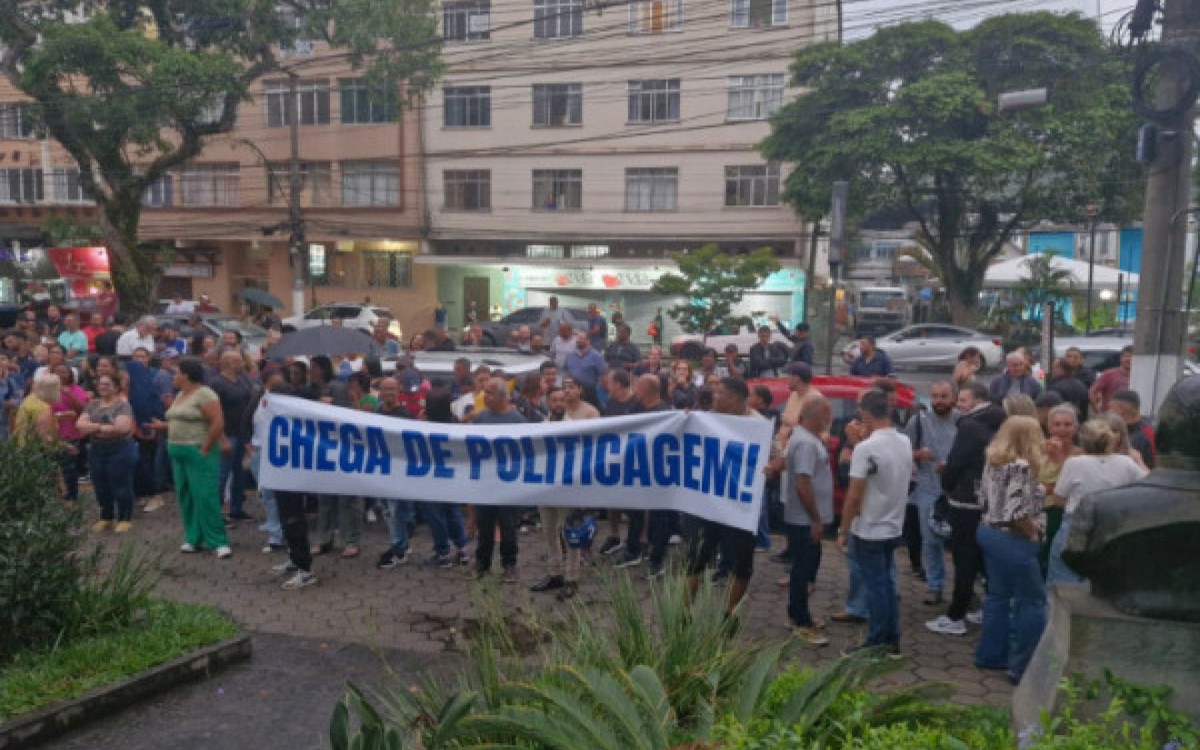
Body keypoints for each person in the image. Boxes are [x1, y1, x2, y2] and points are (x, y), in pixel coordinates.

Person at [927, 381, 1005, 637]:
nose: (958, 406)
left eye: (962, 400)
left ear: (977, 401)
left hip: (965, 500)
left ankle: (955, 615)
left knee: (964, 558)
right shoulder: (998, 421)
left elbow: (956, 463)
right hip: (987, 498)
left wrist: (946, 483)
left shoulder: (970, 426)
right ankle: (986, 607)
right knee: (981, 558)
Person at [973, 416, 1048, 683]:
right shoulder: (1021, 466)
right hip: (1012, 538)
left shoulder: (994, 460)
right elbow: (1017, 510)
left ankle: (991, 655)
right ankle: (1022, 666)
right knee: (1033, 602)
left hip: (988, 530)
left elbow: (983, 497)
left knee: (998, 596)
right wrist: (1033, 532)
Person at [838, 388, 912, 655]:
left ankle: (877, 641)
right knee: (887, 584)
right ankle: (891, 637)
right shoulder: (904, 442)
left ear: (865, 414)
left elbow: (854, 495)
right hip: (893, 523)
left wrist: (843, 529)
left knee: (876, 587)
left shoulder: (866, 449)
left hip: (870, 527)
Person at [686, 377, 766, 621]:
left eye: (718, 393)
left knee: (742, 565)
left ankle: (729, 615)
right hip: (710, 504)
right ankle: (683, 612)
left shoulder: (758, 425)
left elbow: (778, 458)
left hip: (741, 508)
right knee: (696, 560)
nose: (713, 397)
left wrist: (773, 466)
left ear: (733, 397)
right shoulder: (705, 418)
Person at [1047, 418, 1147, 585]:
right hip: (1113, 526)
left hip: (1075, 524)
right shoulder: (1126, 462)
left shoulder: (1074, 463)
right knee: (1102, 584)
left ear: (1083, 441)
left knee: (1060, 582)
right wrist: (1139, 460)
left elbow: (1058, 499)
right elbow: (1147, 482)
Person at [152, 357, 232, 558]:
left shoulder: (205, 394)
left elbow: (217, 423)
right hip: (177, 452)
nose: (174, 377)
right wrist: (162, 426)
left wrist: (206, 448)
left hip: (198, 451)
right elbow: (180, 420)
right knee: (185, 496)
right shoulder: (180, 395)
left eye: (177, 373)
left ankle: (218, 541)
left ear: (186, 375)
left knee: (205, 495)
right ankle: (193, 537)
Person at [530, 378, 594, 600]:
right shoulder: (540, 429)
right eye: (554, 400)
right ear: (548, 402)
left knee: (570, 535)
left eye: (561, 400)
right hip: (545, 489)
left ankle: (571, 578)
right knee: (549, 533)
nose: (558, 403)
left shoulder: (575, 429)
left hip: (568, 490)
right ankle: (554, 573)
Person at [782, 396, 835, 646]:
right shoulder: (805, 442)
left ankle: (798, 615)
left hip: (807, 518)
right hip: (803, 520)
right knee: (802, 571)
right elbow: (803, 484)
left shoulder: (808, 438)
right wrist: (815, 519)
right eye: (827, 415)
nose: (830, 420)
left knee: (806, 568)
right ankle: (800, 622)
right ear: (815, 416)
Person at [905, 381, 958, 606]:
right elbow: (903, 451)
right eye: (935, 396)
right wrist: (918, 454)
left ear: (954, 397)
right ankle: (935, 587)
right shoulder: (918, 421)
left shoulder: (964, 422)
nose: (939, 401)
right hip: (927, 488)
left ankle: (965, 590)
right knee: (930, 540)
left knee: (960, 543)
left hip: (957, 490)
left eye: (944, 396)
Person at [471, 377, 526, 581]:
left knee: (507, 525)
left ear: (503, 396)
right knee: (484, 525)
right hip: (486, 482)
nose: (486, 397)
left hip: (508, 484)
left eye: (490, 393)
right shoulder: (481, 418)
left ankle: (509, 564)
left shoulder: (517, 420)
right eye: (485, 392)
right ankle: (482, 564)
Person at [76, 374, 138, 532]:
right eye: (100, 384)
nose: (103, 387)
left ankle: (125, 517)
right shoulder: (92, 404)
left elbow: (122, 428)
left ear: (116, 387)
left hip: (120, 448)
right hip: (97, 448)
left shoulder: (122, 405)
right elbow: (80, 424)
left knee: (121, 483)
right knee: (99, 483)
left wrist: (93, 426)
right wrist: (103, 427)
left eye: (107, 384)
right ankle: (106, 516)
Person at [209, 349, 257, 521]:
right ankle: (215, 512)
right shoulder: (216, 384)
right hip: (227, 434)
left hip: (241, 434)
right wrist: (221, 438)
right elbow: (213, 413)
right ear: (229, 363)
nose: (243, 364)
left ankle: (237, 508)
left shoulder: (243, 379)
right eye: (239, 361)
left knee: (238, 474)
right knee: (222, 474)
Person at [1039, 403, 1081, 575]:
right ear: (1049, 428)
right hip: (1040, 511)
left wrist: (1059, 458)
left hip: (1065, 511)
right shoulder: (1039, 450)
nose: (1062, 429)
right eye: (1057, 424)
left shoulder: (1080, 454)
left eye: (1067, 424)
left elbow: (1070, 484)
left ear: (1075, 428)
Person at [51, 364, 89, 504]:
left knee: (68, 468)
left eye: (64, 372)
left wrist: (68, 394)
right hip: (51, 434)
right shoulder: (49, 390)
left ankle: (71, 497)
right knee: (53, 468)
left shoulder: (76, 389)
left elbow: (83, 409)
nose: (61, 374)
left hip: (71, 434)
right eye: (57, 371)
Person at [1108, 389, 1155, 469]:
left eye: (1111, 408)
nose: (1109, 411)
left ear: (1120, 410)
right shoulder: (1115, 429)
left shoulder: (1147, 433)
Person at [14, 372, 60, 445]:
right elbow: (44, 437)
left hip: (20, 445)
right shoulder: (44, 408)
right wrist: (62, 445)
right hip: (34, 450)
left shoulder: (29, 399)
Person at [563, 332, 607, 405]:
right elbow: (565, 371)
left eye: (580, 338)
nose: (578, 340)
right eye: (577, 338)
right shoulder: (570, 356)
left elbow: (603, 375)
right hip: (572, 392)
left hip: (590, 393)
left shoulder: (597, 356)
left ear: (588, 341)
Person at [1089, 345, 1132, 415]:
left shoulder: (1140, 377)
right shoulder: (1108, 374)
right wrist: (1097, 411)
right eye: (1126, 356)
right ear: (1121, 358)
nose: (1128, 359)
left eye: (1131, 357)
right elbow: (1092, 392)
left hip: (1131, 417)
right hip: (1110, 417)